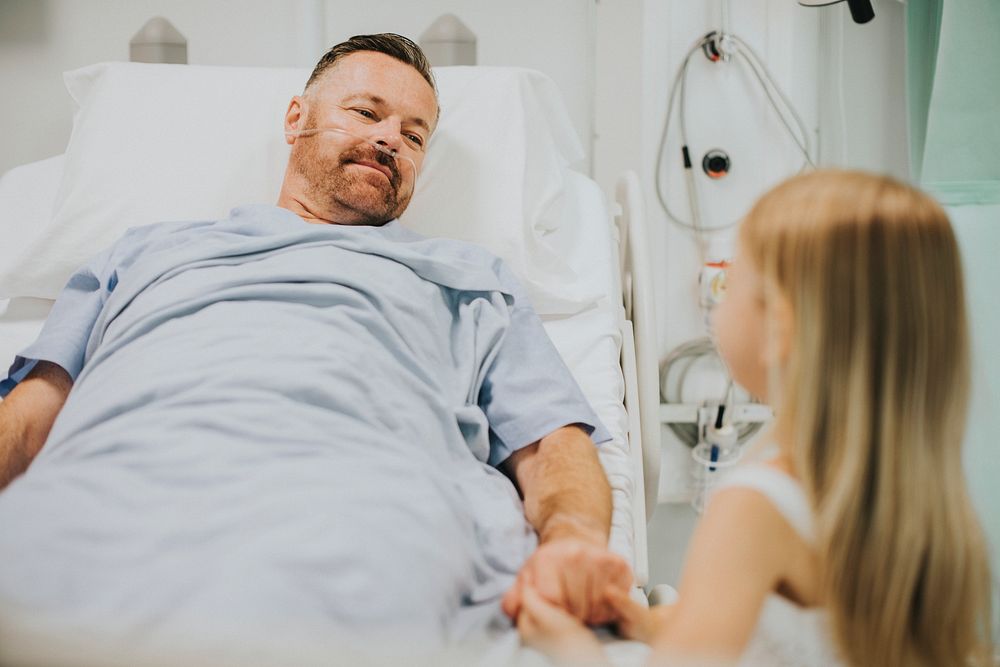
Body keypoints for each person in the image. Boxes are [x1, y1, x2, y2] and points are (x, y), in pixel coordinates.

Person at [0, 34, 631, 659]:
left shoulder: (471, 278)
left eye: (414, 136)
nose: (391, 139)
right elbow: (29, 418)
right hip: (118, 484)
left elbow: (554, 444)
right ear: (296, 118)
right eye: (366, 112)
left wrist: (573, 542)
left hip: (374, 505)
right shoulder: (142, 254)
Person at [516, 170, 995, 667]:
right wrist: (647, 623)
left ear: (779, 326)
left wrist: (570, 650)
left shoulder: (759, 507)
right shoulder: (923, 506)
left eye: (733, 285)